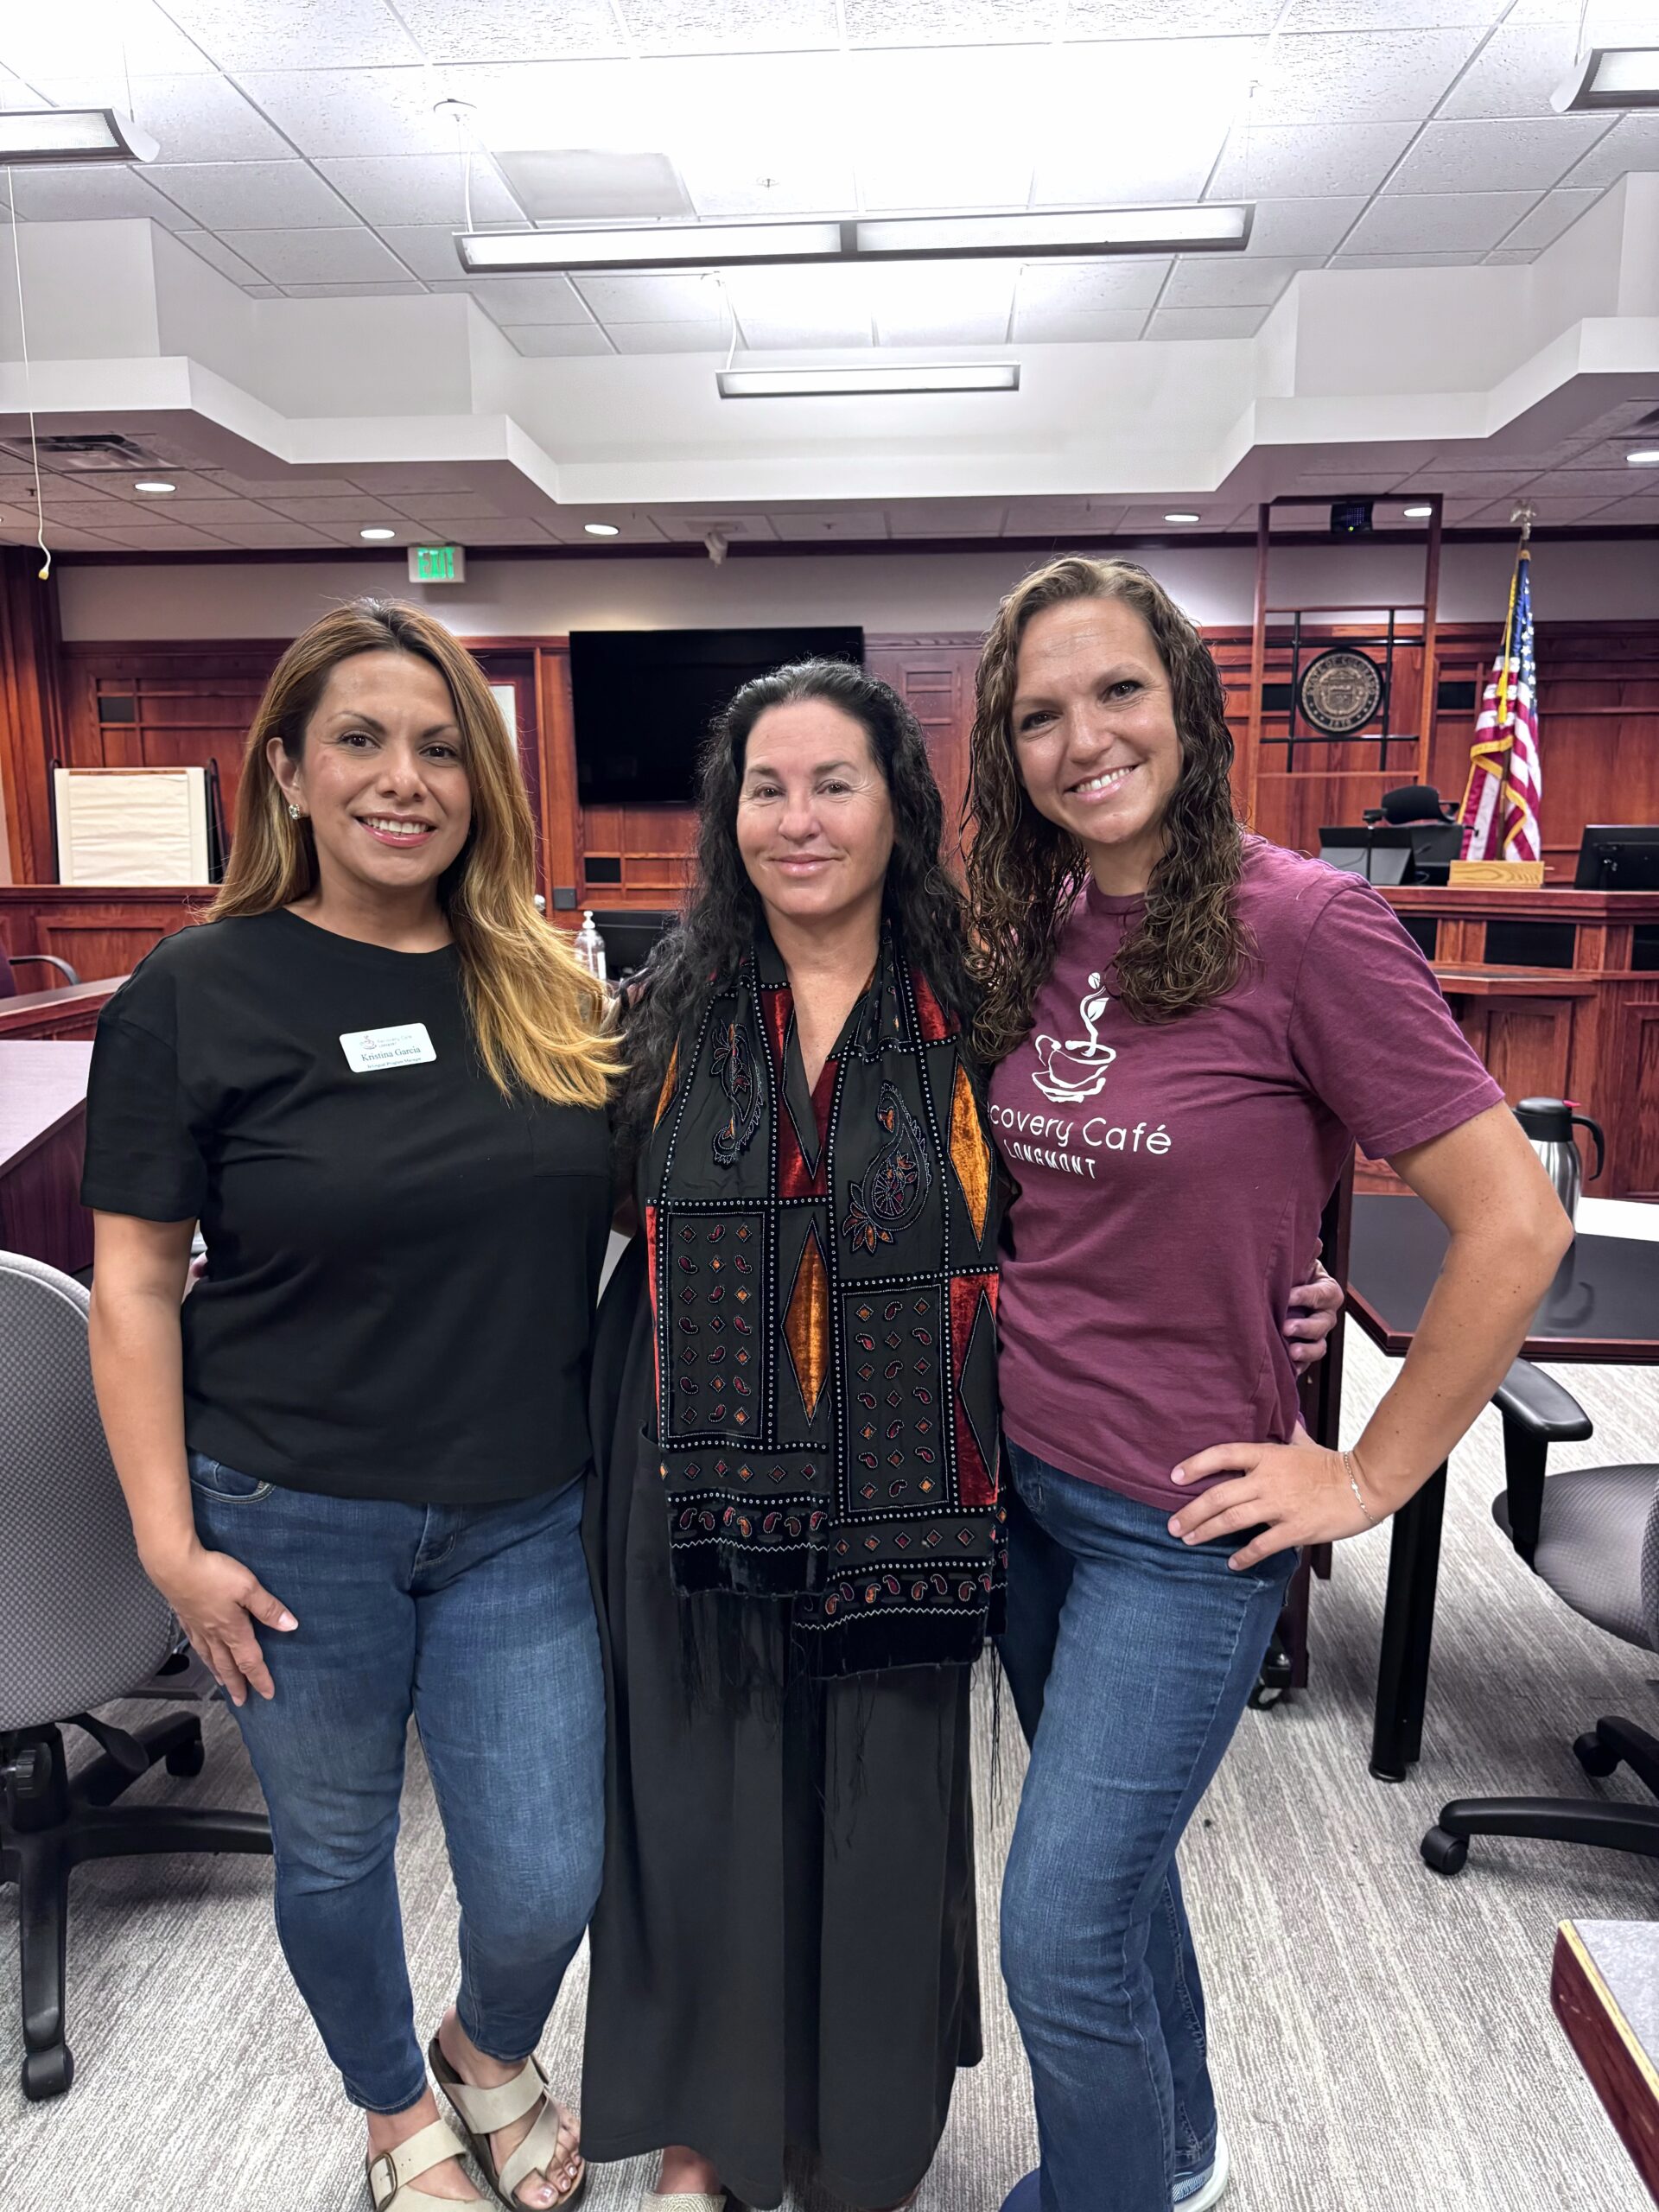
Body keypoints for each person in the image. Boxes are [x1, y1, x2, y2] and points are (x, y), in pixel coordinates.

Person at [578, 657, 1338, 2212]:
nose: (798, 820)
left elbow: (1102, 1188)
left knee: (874, 1805)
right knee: (704, 1798)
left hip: (910, 1487)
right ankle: (706, 2140)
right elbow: (550, 1215)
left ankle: (854, 2141)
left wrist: (1271, 1284)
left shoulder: (986, 1011)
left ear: (898, 811)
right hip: (694, 1487)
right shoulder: (657, 1017)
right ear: (728, 818)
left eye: (834, 784)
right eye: (766, 789)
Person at [963, 557, 1573, 2212]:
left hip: (1188, 1524)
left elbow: (1516, 1223)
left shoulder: (1306, 925)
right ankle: (1173, 2154)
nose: (1085, 739)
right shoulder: (1035, 930)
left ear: (1187, 703)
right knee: (1112, 1881)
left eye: (1118, 691)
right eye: (1040, 714)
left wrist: (1367, 1475)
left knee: (1055, 1927)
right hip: (1028, 1491)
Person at [82, 601, 616, 2212]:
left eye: (442, 748)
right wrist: (168, 1550)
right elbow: (133, 1284)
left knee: (548, 1873)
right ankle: (395, 2112)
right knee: (331, 1852)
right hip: (289, 1517)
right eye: (362, 742)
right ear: (289, 774)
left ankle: (485, 2051)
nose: (405, 779)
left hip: (522, 1508)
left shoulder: (542, 980)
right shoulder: (195, 989)